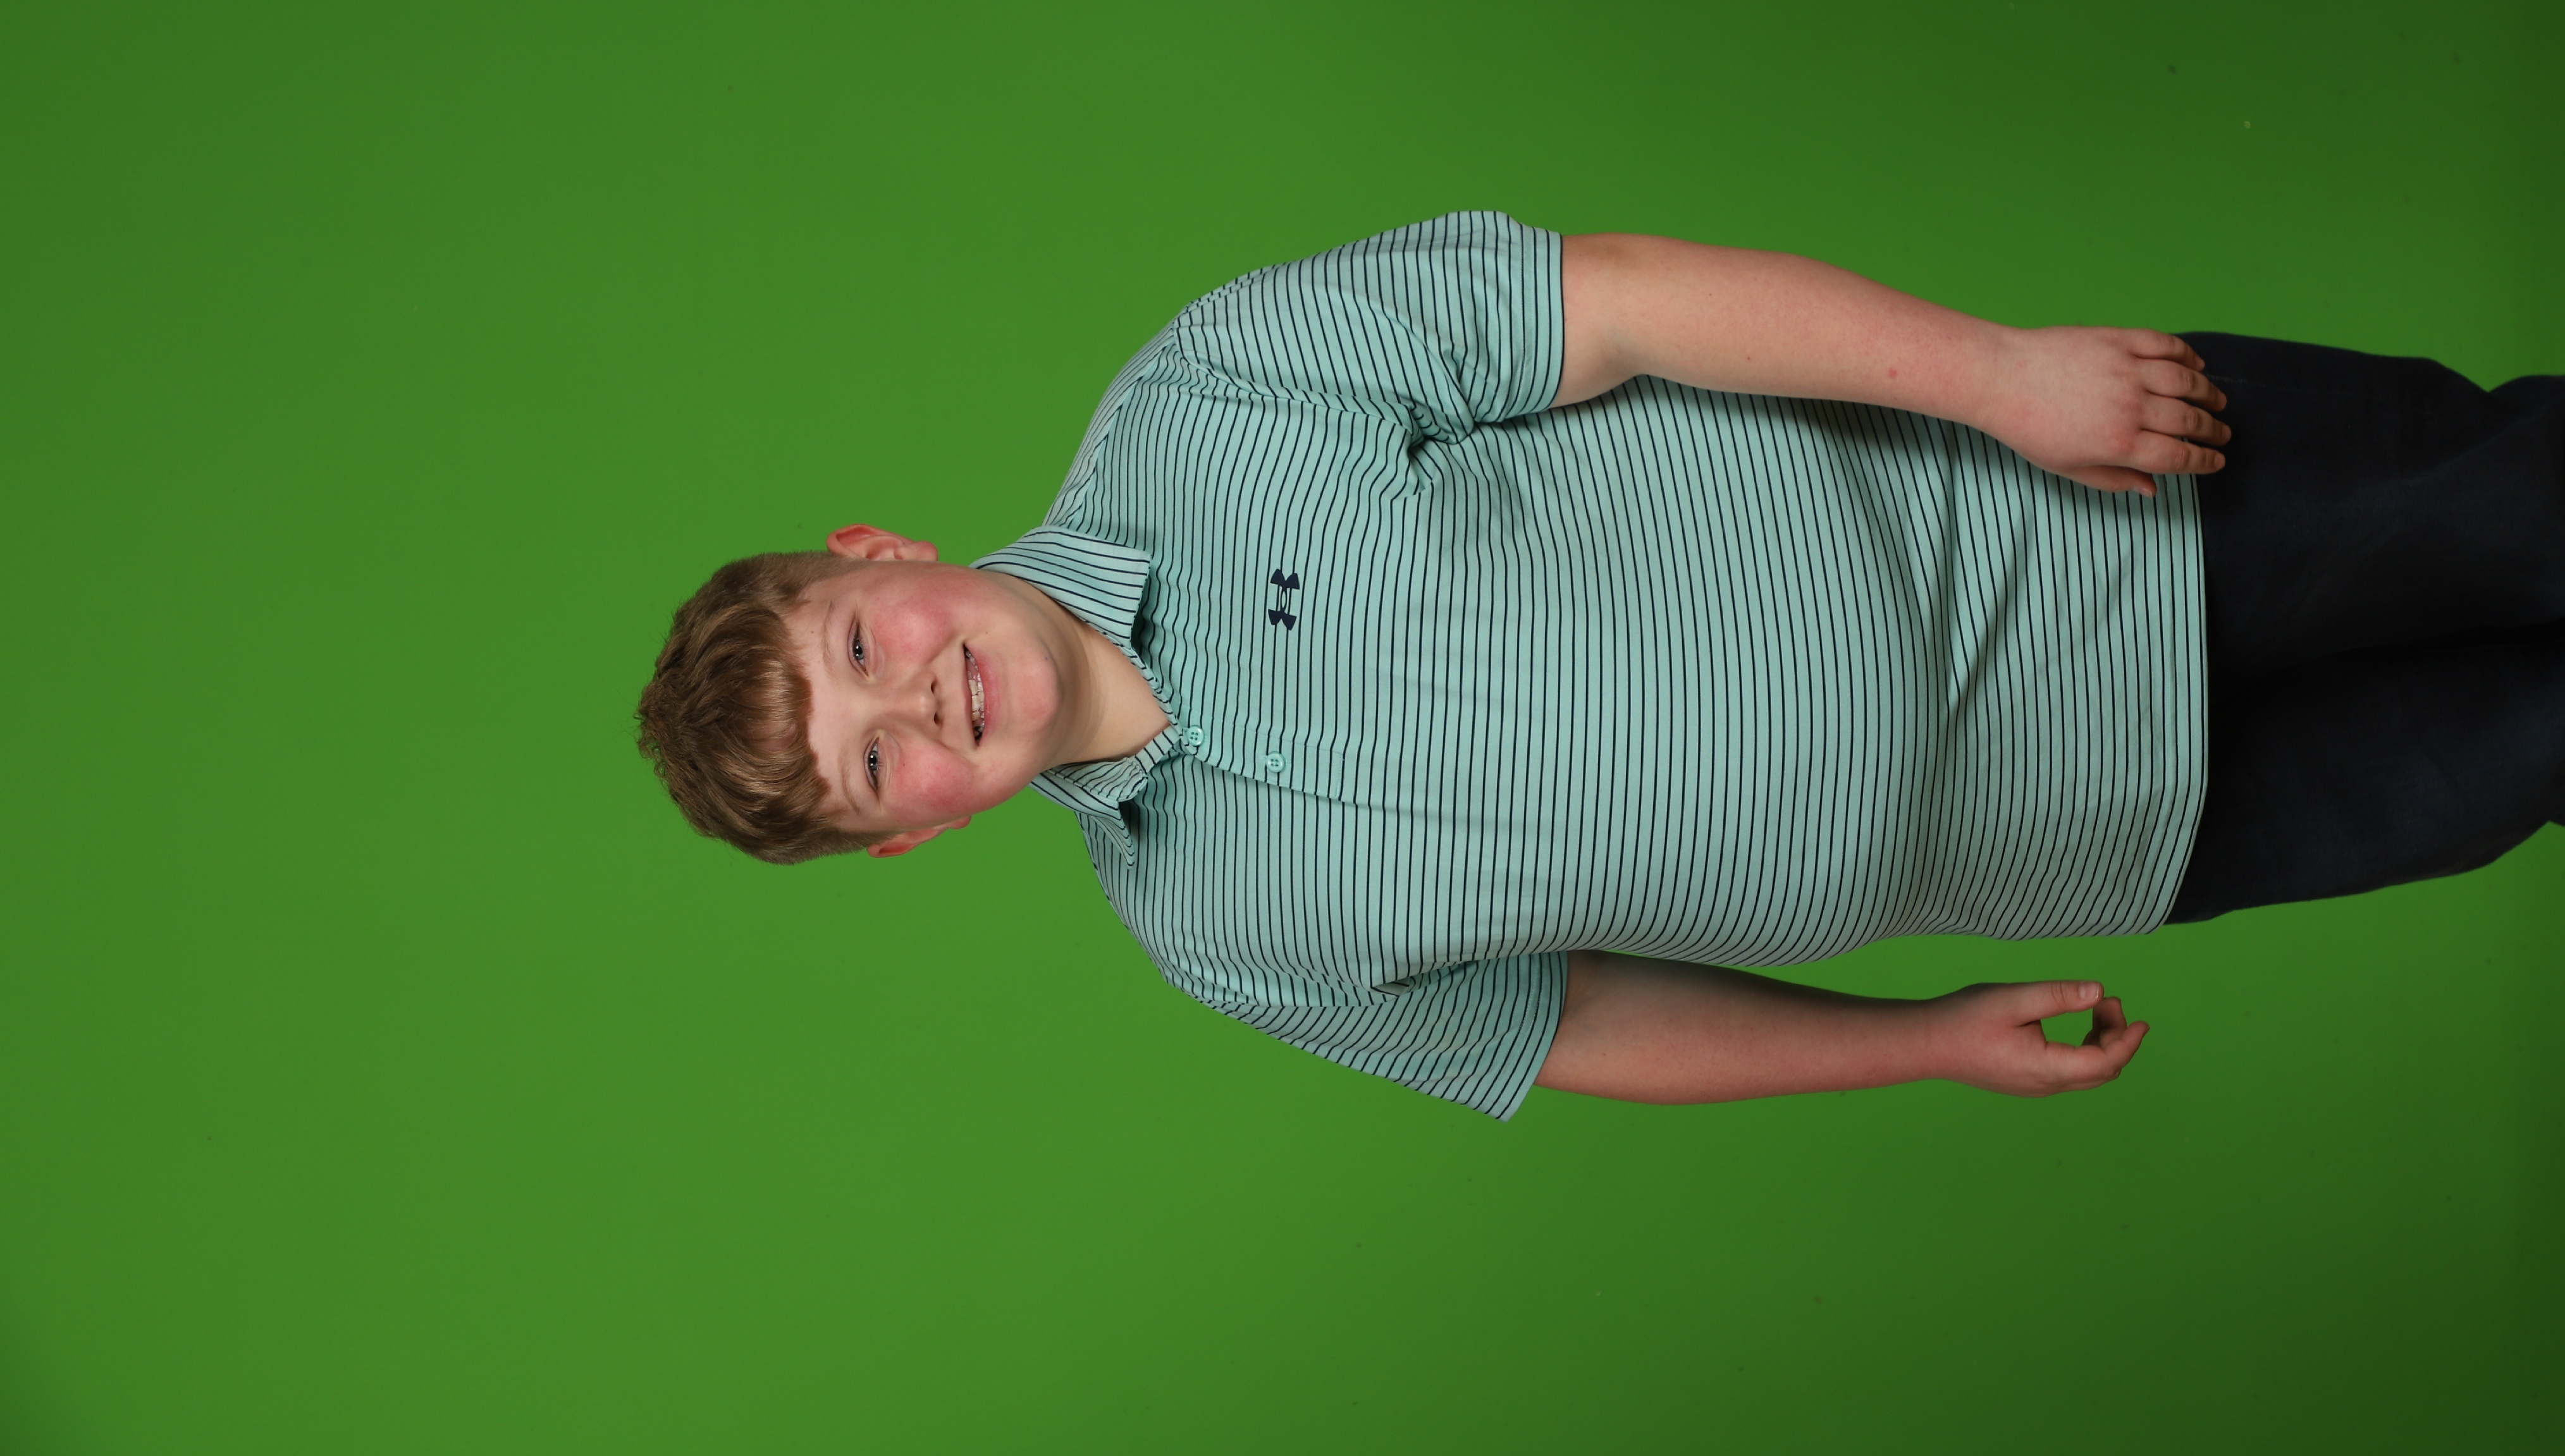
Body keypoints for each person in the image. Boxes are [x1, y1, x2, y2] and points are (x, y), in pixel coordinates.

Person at [636, 214, 2565, 1118]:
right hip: (2123, 830)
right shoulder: (1211, 932)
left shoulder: (1205, 396)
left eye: (863, 646)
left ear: (876, 553)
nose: (919, 700)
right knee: (2532, 751)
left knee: (2531, 503)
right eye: (876, 763)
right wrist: (1915, 1040)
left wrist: (2004, 376)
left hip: (2098, 525)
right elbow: (1576, 1028)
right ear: (913, 837)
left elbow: (1623, 302)